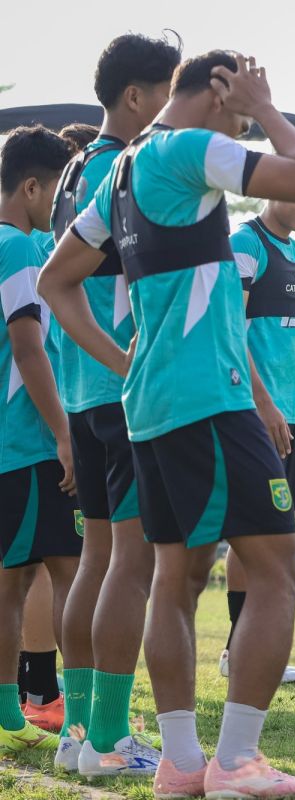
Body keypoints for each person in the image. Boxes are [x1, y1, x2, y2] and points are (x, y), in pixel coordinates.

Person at [40, 51, 295, 798]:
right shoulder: (189, 147)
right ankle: (235, 762)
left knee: (177, 578)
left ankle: (179, 764)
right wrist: (265, 108)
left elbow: (55, 280)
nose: (243, 130)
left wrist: (124, 361)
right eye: (239, 113)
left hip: (152, 407)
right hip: (208, 400)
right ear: (218, 93)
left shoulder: (122, 170)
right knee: (277, 572)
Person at [48, 32, 181, 777]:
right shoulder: (125, 170)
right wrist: (130, 363)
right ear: (136, 97)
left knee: (97, 559)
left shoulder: (75, 166)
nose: (173, 110)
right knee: (131, 562)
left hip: (81, 390)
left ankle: (79, 734)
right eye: (167, 93)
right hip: (121, 388)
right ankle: (107, 740)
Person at [220, 138, 295, 686]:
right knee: (255, 537)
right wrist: (264, 403)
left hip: (288, 418)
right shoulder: (245, 245)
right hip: (253, 416)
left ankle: (245, 650)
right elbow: (230, 330)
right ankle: (238, 652)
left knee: (273, 534)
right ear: (272, 184)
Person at [0, 125, 79, 754]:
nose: (59, 206)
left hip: (9, 447)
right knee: (73, 574)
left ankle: (9, 714)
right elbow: (29, 349)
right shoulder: (21, 248)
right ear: (31, 187)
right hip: (27, 443)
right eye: (56, 192)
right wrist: (64, 433)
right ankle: (86, 719)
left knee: (14, 581)